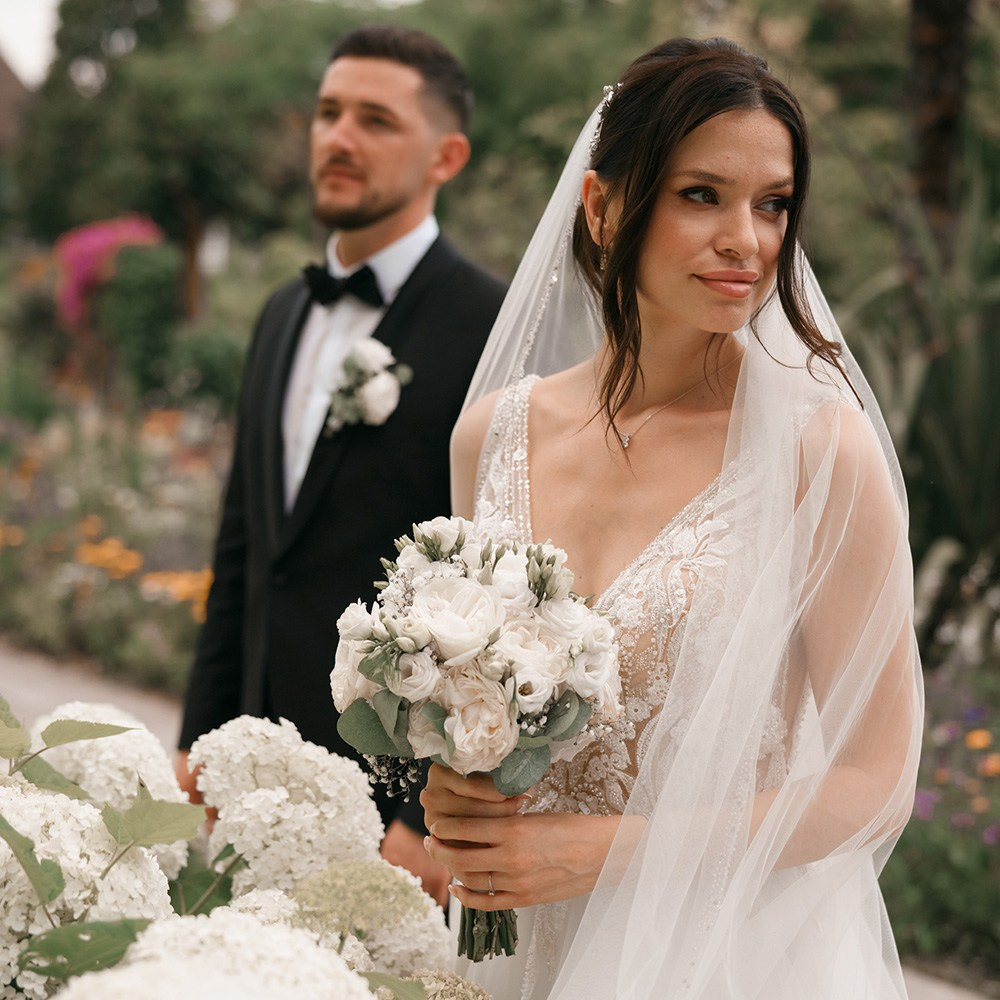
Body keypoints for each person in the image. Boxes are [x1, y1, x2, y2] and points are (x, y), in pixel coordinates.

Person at [422, 37, 923, 999]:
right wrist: (462, 785)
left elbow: (873, 784)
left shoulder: (819, 453)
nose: (748, 239)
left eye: (771, 203)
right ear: (604, 206)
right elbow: (475, 704)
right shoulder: (494, 436)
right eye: (703, 195)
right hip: (511, 944)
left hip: (723, 954)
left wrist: (609, 853)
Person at [175, 23, 507, 904]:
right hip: (253, 772)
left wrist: (426, 819)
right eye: (327, 114)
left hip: (392, 810)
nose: (338, 138)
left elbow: (492, 595)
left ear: (447, 155)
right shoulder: (280, 313)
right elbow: (246, 546)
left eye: (374, 120)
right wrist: (200, 735)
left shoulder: (491, 329)